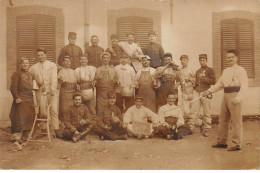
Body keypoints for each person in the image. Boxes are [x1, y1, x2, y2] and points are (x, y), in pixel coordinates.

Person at [203, 49, 248, 151]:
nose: (230, 59)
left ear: (236, 58)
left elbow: (244, 86)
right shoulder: (226, 71)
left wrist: (238, 98)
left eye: (232, 57)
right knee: (223, 119)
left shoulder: (241, 70)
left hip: (235, 95)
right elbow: (220, 84)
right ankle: (222, 142)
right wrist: (209, 91)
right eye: (228, 57)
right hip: (226, 95)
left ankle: (236, 143)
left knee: (236, 121)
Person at [29, 48, 59, 136]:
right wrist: (35, 84)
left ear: (46, 54)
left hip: (50, 90)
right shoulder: (34, 67)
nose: (40, 57)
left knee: (53, 109)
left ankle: (55, 129)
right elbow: (29, 77)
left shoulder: (52, 65)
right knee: (42, 110)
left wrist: (53, 89)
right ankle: (44, 129)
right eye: (38, 55)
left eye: (42, 55)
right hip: (40, 91)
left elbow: (54, 78)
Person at [9, 57, 35, 142]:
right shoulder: (16, 74)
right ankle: (15, 137)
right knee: (18, 117)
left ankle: (25, 135)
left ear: (29, 65)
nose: (25, 64)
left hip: (29, 98)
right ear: (20, 65)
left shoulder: (30, 74)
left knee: (29, 117)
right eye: (23, 63)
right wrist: (17, 97)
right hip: (20, 98)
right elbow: (13, 88)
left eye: (27, 63)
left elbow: (34, 85)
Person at [192, 54, 216, 137]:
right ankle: (200, 124)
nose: (202, 62)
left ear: (206, 60)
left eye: (203, 60)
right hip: (197, 92)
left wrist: (203, 78)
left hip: (205, 92)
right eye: (200, 60)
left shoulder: (210, 70)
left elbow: (213, 82)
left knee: (206, 112)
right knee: (195, 112)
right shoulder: (198, 71)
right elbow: (196, 82)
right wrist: (193, 83)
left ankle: (207, 129)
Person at [58, 55, 78, 120]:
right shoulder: (60, 71)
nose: (67, 63)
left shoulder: (73, 71)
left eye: (69, 61)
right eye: (66, 61)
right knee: (64, 108)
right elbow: (58, 82)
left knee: (72, 108)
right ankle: (64, 122)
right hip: (64, 92)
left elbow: (76, 81)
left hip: (72, 92)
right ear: (63, 62)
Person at [178, 55, 197, 122]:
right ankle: (198, 123)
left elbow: (196, 80)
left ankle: (194, 125)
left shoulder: (192, 69)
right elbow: (179, 81)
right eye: (181, 60)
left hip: (192, 92)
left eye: (184, 60)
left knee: (193, 110)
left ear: (188, 60)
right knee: (186, 111)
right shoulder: (180, 70)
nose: (183, 61)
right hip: (184, 92)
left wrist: (189, 79)